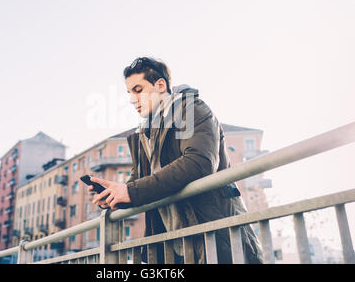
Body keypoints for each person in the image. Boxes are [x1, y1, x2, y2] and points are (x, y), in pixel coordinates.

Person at [89, 57, 263, 264]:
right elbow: (140, 185)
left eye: (138, 90)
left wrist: (131, 191)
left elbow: (199, 162)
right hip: (171, 245)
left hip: (212, 233)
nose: (132, 100)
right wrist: (115, 195)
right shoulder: (143, 134)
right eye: (129, 94)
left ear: (160, 85)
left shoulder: (190, 109)